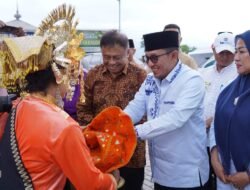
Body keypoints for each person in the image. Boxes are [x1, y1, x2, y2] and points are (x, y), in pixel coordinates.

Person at [0, 4, 118, 189]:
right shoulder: (63, 126)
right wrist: (112, 179)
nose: (71, 80)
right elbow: (91, 184)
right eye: (70, 74)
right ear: (58, 74)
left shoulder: (19, 104)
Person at [124, 30, 209, 189]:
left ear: (173, 55)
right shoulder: (151, 79)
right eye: (147, 58)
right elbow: (136, 107)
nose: (150, 64)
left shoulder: (192, 80)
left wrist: (133, 132)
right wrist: (117, 123)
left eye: (155, 58)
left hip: (186, 175)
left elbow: (175, 118)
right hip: (160, 173)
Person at [77, 30, 147, 190]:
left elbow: (144, 113)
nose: (111, 62)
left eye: (117, 57)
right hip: (100, 153)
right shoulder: (93, 75)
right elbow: (83, 108)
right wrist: (100, 134)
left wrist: (121, 136)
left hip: (131, 153)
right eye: (106, 57)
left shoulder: (140, 76)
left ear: (128, 53)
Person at [210, 30, 250, 190]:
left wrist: (248, 175)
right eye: (236, 51)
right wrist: (214, 157)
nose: (236, 57)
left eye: (241, 51)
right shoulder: (228, 91)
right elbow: (216, 123)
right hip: (225, 175)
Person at [199, 32, 238, 189]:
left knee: (223, 177)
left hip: (224, 141)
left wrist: (212, 121)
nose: (225, 56)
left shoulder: (239, 74)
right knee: (204, 178)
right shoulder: (203, 73)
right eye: (221, 52)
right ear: (213, 49)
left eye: (229, 52)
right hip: (201, 138)